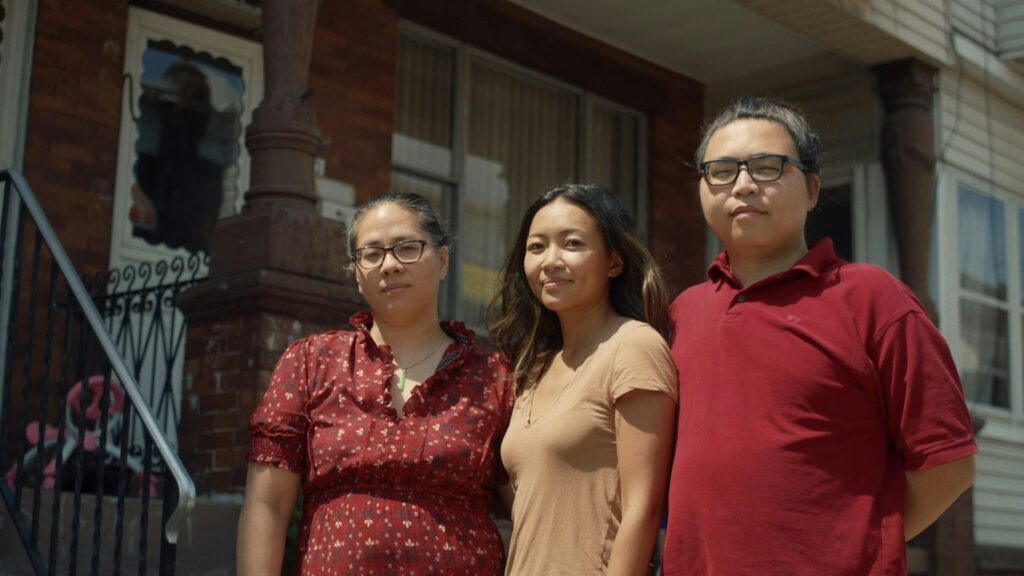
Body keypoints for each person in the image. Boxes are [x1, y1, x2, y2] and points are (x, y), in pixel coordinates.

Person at [661, 96, 977, 575]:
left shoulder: (873, 299)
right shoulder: (682, 313)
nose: (743, 185)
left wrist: (855, 542)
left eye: (767, 167)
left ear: (811, 189)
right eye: (721, 171)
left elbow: (947, 464)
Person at [236, 192, 513, 575]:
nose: (390, 266)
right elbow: (267, 505)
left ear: (443, 260)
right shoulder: (311, 361)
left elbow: (532, 508)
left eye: (407, 248)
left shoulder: (493, 377)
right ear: (355, 271)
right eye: (372, 254)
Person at [489, 184, 678, 576]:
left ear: (613, 261)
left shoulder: (633, 346)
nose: (550, 261)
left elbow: (642, 507)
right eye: (536, 247)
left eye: (572, 244)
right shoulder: (534, 366)